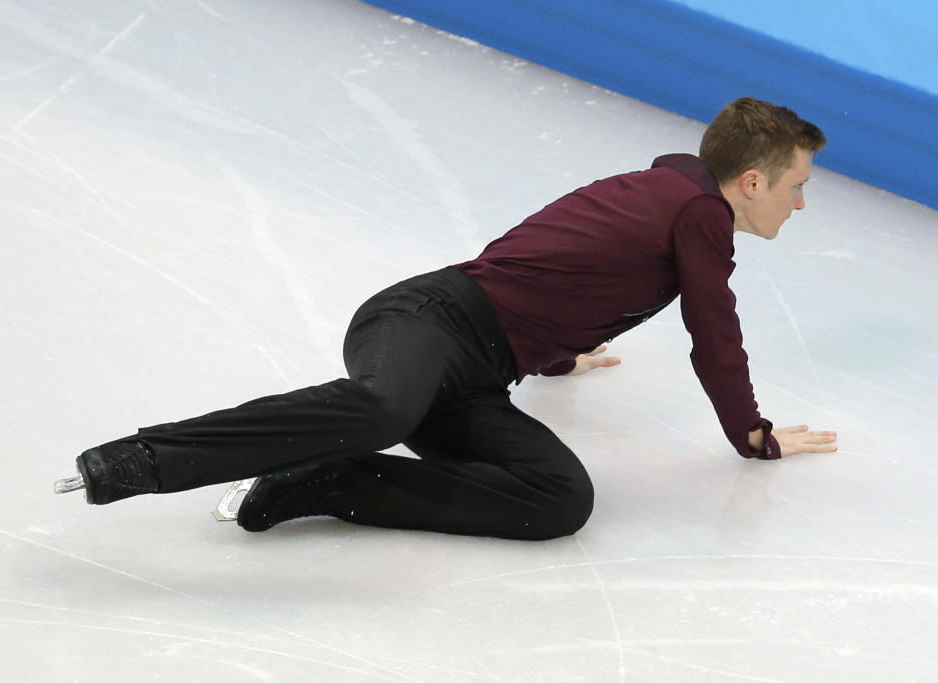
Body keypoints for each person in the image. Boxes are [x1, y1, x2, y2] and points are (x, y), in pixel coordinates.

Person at [55, 96, 838, 540]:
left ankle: (332, 481)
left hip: (473, 369)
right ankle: (141, 459)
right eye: (795, 186)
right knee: (384, 405)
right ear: (748, 181)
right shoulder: (696, 213)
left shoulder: (663, 195)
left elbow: (556, 261)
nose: (800, 203)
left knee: (560, 498)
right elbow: (715, 329)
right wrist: (752, 432)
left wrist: (558, 351)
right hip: (426, 318)